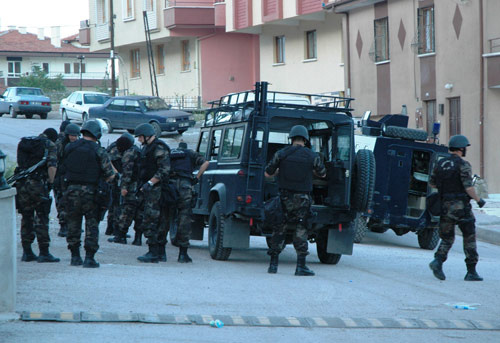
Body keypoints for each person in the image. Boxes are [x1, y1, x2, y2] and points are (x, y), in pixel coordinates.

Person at [264, 125, 326, 276]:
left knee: (279, 229)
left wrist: (280, 171)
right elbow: (323, 174)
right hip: (303, 199)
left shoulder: (281, 154)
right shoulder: (312, 156)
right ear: (305, 139)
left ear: (291, 138)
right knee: (301, 229)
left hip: (284, 198)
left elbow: (267, 174)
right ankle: (300, 267)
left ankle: (273, 265)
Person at [429, 134, 485, 281]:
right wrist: (479, 200)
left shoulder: (440, 164)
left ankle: (438, 261)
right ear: (461, 148)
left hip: (444, 207)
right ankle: (471, 271)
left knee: (447, 237)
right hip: (461, 208)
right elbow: (469, 188)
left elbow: (432, 183)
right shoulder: (463, 165)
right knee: (469, 237)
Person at [63, 120, 115, 268]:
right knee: (92, 224)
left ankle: (74, 256)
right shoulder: (99, 150)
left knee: (73, 223)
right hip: (91, 193)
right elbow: (110, 174)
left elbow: (63, 166)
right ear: (97, 134)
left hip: (71, 190)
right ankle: (89, 258)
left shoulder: (70, 147)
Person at [16, 128, 60, 263]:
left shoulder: (25, 143)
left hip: (22, 184)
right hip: (38, 185)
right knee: (41, 217)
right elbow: (52, 167)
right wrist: (51, 183)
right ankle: (44, 252)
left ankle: (27, 251)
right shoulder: (49, 145)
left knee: (26, 216)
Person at [165, 141, 209, 263]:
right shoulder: (190, 154)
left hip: (170, 186)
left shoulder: (170, 153)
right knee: (184, 218)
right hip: (185, 186)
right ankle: (182, 254)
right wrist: (197, 177)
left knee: (165, 215)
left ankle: (160, 252)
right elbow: (206, 163)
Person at [134, 123, 171, 263]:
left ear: (147, 135)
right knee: (156, 220)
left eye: (140, 137)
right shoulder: (148, 148)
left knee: (151, 219)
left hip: (156, 190)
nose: (138, 140)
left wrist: (150, 183)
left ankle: (154, 252)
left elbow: (164, 170)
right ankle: (159, 252)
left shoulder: (158, 148)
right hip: (150, 189)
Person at [108, 132, 143, 245]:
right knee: (139, 212)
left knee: (126, 210)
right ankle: (138, 238)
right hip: (141, 186)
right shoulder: (137, 150)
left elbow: (127, 173)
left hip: (131, 186)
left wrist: (123, 187)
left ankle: (121, 236)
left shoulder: (128, 153)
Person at [54, 123, 80, 237]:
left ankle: (70, 225)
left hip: (72, 176)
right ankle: (63, 225)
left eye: (75, 135)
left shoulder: (78, 144)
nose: (73, 138)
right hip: (61, 176)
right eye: (71, 135)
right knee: (62, 201)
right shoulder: (60, 144)